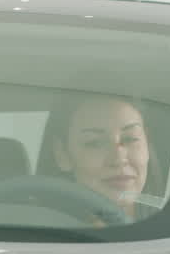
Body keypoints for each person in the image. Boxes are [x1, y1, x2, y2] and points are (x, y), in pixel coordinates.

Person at [40, 93, 159, 223]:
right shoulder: (38, 236)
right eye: (95, 143)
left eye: (130, 139)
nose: (119, 158)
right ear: (62, 154)